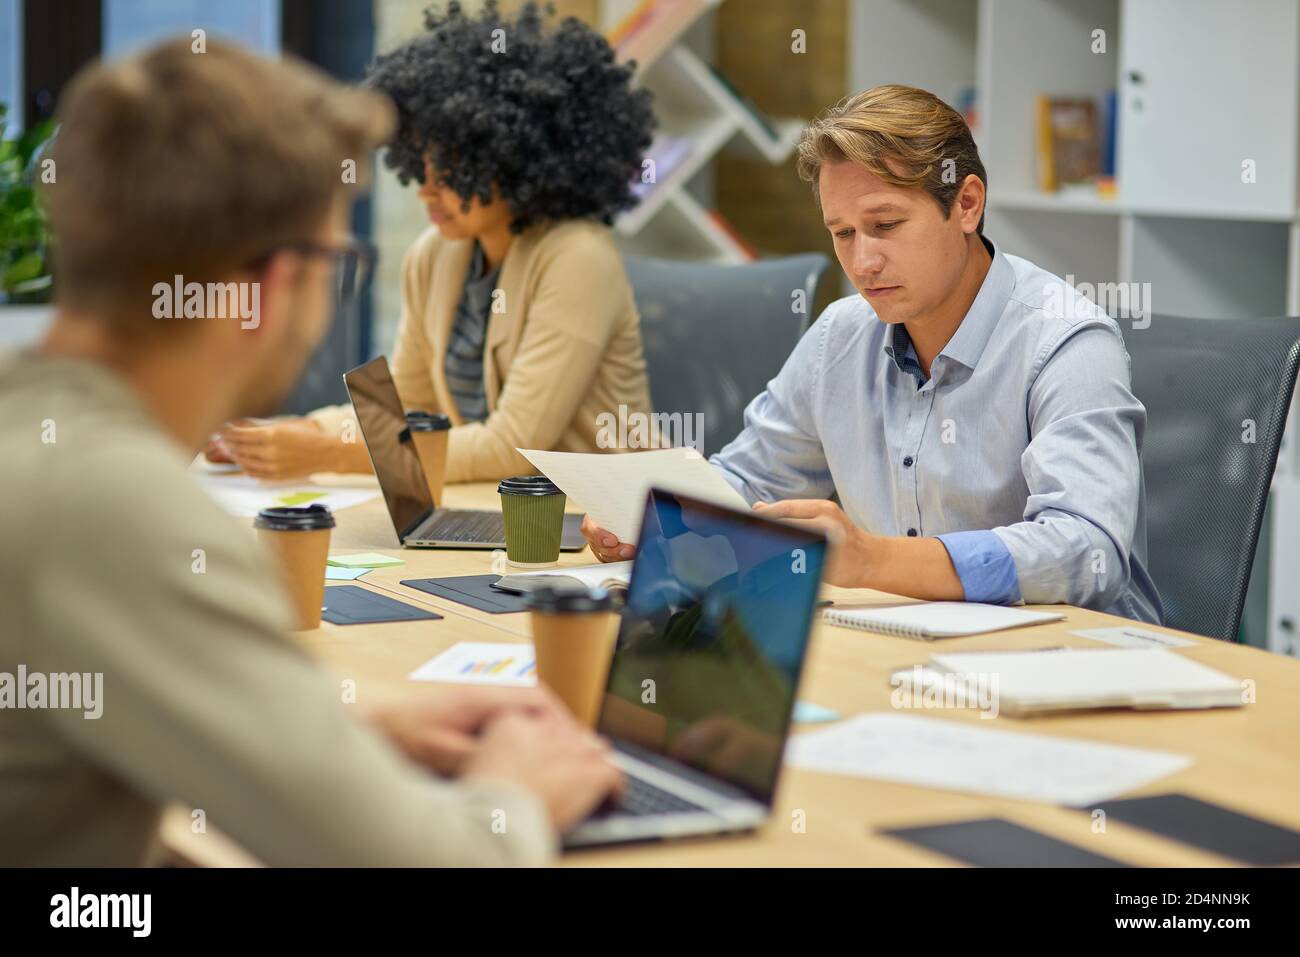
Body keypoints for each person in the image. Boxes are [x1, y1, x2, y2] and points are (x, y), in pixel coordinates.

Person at [0, 37, 622, 867]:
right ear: (273, 286)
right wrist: (519, 787)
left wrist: (337, 727)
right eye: (339, 264)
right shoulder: (117, 508)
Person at [583, 85, 1164, 626]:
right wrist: (665, 520)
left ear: (966, 204)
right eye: (842, 234)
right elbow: (752, 478)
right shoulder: (842, 335)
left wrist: (875, 561)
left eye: (885, 225)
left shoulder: (1066, 342)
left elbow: (1087, 550)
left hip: (1077, 666)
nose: (862, 263)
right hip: (908, 646)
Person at [207, 0, 657, 484]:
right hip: (489, 514)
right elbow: (405, 404)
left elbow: (513, 448)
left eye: (451, 171)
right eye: (422, 165)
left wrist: (325, 454)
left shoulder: (577, 257)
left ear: (514, 159)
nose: (425, 188)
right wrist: (286, 435)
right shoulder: (436, 254)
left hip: (597, 529)